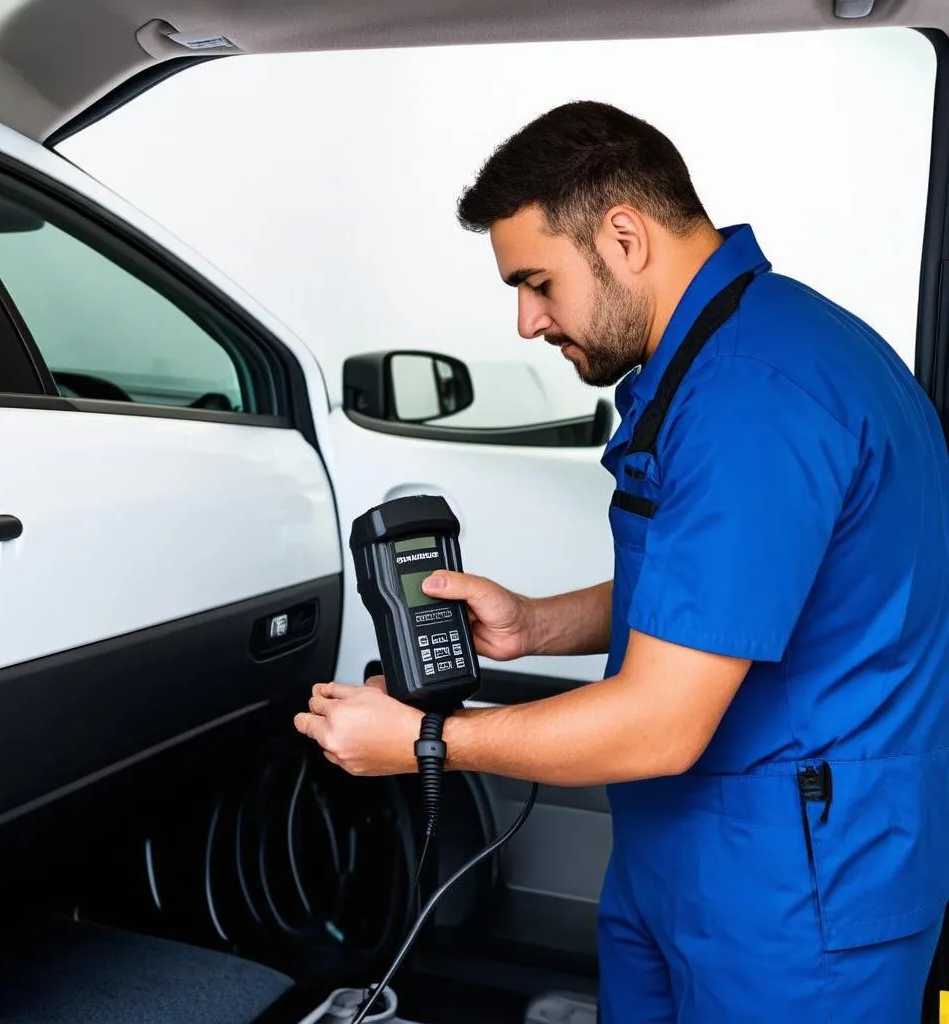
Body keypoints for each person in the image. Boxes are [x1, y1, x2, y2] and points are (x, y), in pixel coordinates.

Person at [294, 101, 949, 1022]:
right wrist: (536, 624)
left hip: (794, 896)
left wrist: (427, 743)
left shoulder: (755, 398)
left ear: (625, 237)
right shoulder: (735, 351)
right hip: (690, 851)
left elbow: (657, 726)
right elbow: (725, 588)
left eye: (538, 282)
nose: (526, 321)